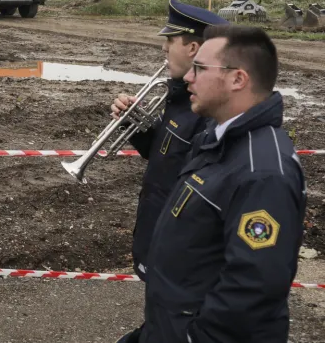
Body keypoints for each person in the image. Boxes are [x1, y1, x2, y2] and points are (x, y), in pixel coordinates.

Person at [123, 25, 306, 343]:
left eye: (200, 69)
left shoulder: (263, 173)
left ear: (238, 79)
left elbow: (253, 289)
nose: (189, 78)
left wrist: (190, 337)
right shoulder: (217, 139)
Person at [110, 0, 227, 343]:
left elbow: (194, 185)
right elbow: (167, 157)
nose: (163, 47)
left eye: (170, 40)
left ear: (192, 48)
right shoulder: (179, 97)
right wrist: (140, 127)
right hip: (159, 245)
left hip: (178, 260)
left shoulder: (204, 111)